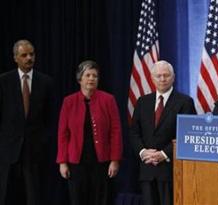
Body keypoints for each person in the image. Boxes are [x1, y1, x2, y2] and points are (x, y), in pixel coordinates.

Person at [130, 60, 196, 205]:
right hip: (147, 169)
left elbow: (187, 136)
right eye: (158, 76)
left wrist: (164, 154)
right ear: (152, 78)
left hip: (171, 170)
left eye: (166, 75)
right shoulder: (142, 101)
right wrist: (143, 152)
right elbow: (134, 133)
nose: (162, 79)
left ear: (173, 77)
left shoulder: (185, 102)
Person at [56, 60, 122, 205]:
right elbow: (63, 134)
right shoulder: (69, 102)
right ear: (80, 79)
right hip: (76, 162)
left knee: (100, 199)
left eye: (95, 76)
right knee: (77, 199)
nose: (91, 78)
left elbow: (116, 131)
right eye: (88, 75)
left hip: (101, 161)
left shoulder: (108, 100)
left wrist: (115, 160)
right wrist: (62, 162)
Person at [0, 39, 54, 205]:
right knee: (7, 195)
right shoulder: (3, 81)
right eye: (24, 55)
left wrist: (44, 141)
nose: (29, 58)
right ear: (16, 57)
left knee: (34, 197)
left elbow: (50, 117)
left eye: (31, 54)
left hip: (35, 151)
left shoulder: (45, 82)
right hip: (9, 151)